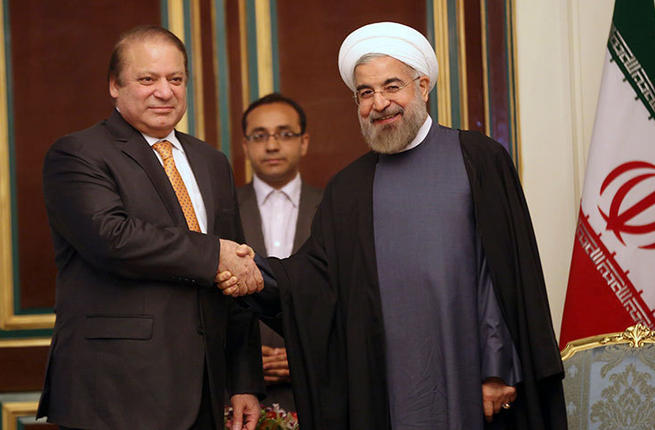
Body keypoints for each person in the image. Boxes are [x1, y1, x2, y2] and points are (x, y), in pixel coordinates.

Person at [221, 22, 566, 429]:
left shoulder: (477, 157)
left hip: (473, 380)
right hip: (385, 388)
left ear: (422, 86)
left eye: (391, 86)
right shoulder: (349, 188)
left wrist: (497, 367)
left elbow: (502, 271)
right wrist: (253, 273)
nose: (379, 103)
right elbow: (315, 279)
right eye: (365, 93)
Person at [37, 25, 264, 430]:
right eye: (147, 79)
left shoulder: (211, 161)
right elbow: (112, 238)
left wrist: (243, 381)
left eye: (175, 79)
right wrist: (214, 255)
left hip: (204, 394)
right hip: (116, 394)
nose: (165, 91)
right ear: (114, 85)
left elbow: (237, 273)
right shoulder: (77, 153)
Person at [238, 93, 323, 410]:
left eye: (285, 134)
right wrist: (242, 364)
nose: (272, 146)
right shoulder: (221, 212)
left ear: (304, 142)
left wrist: (305, 353)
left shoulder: (333, 209)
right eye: (260, 136)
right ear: (245, 146)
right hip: (239, 397)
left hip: (318, 392)